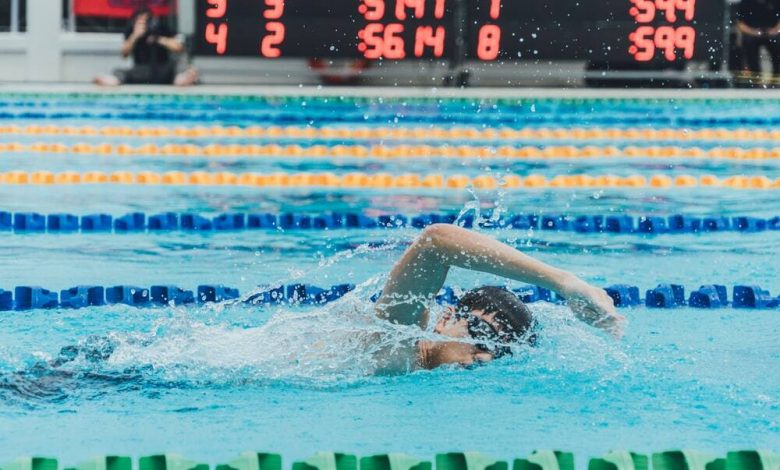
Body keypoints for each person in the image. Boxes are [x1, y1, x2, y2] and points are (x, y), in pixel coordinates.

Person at [375, 223, 624, 369]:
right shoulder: (397, 335)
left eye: (499, 351)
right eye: (484, 337)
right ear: (446, 319)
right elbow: (434, 242)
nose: (485, 356)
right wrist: (563, 282)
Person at [94, 7, 198, 86]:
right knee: (120, 72)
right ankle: (113, 80)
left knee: (178, 66)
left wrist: (158, 39)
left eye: (146, 21)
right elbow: (124, 54)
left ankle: (182, 79)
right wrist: (135, 36)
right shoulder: (131, 31)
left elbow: (178, 48)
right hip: (141, 70)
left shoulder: (160, 28)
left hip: (163, 69)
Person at [736, 0, 780, 79]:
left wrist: (775, 30)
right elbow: (740, 24)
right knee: (749, 44)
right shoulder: (745, 3)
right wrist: (753, 32)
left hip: (772, 32)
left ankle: (776, 76)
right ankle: (755, 77)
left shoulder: (775, 2)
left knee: (777, 43)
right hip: (751, 33)